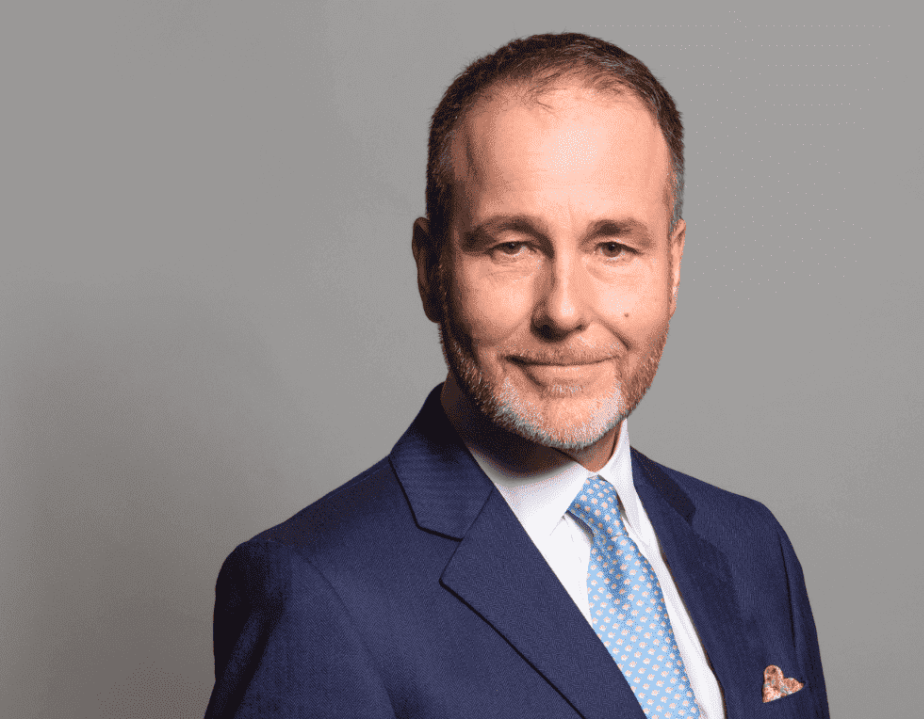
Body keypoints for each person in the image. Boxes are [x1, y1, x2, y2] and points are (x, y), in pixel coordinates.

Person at [205, 32, 829, 719]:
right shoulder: (316, 592)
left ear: (673, 267)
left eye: (613, 247)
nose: (564, 310)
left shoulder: (751, 545)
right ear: (430, 270)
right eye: (512, 247)